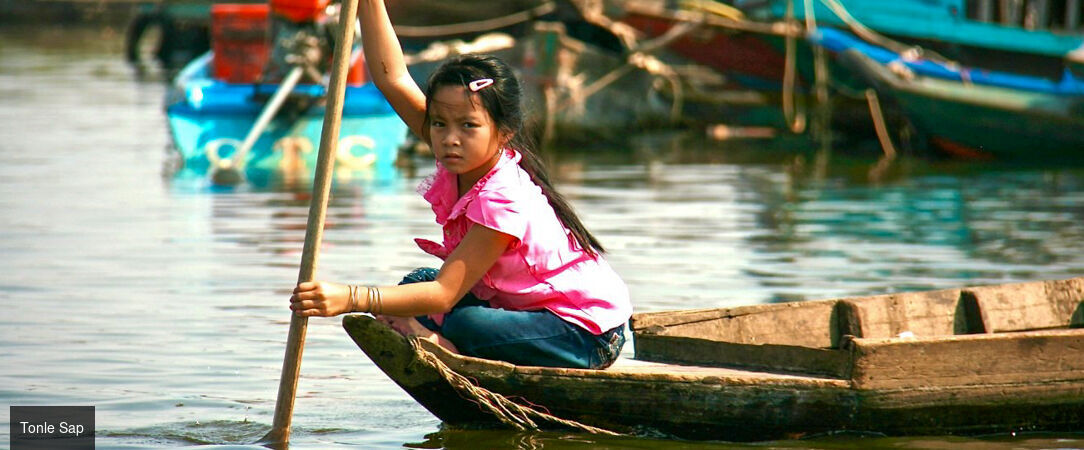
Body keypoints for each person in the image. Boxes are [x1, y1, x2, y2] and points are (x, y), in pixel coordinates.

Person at [288, 0, 631, 369]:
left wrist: (352, 297)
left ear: (504, 133)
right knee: (414, 283)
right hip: (522, 310)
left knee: (452, 312)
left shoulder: (502, 198)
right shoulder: (460, 156)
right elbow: (392, 79)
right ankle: (443, 340)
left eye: (468, 126)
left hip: (584, 335)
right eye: (439, 124)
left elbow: (443, 294)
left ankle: (445, 347)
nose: (450, 139)